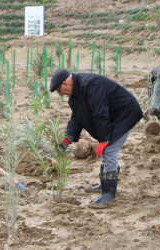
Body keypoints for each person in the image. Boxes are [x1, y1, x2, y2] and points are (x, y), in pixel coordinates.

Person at [50, 69, 143, 207]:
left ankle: (109, 193)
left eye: (59, 90)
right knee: (107, 149)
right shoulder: (74, 99)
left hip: (125, 113)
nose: (61, 94)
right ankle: (105, 182)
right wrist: (67, 139)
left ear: (65, 83)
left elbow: (101, 112)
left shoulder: (91, 84)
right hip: (114, 117)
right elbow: (77, 118)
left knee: (110, 149)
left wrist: (104, 140)